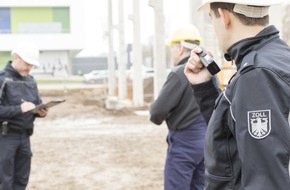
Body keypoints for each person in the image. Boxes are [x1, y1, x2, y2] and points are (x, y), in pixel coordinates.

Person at [184, 0, 290, 189]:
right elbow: (232, 137)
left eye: (211, 18)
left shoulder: (257, 75)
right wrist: (204, 87)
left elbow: (266, 181)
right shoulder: (277, 58)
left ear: (224, 17)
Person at [149, 24, 219, 190]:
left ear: (180, 48)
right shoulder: (210, 72)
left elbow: (156, 113)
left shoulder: (179, 73)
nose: (171, 53)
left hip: (184, 145)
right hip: (206, 144)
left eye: (172, 48)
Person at [0, 41, 48, 190]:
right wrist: (19, 109)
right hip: (5, 137)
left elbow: (36, 103)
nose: (29, 68)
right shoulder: (2, 79)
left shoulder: (31, 81)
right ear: (16, 57)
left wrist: (41, 112)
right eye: (27, 63)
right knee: (5, 181)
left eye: (32, 65)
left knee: (21, 180)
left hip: (25, 137)